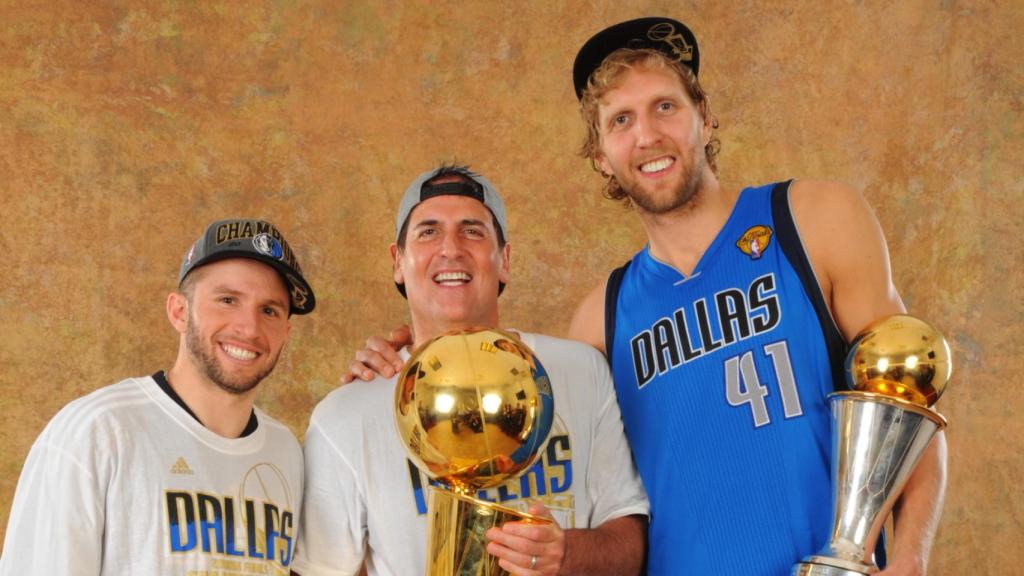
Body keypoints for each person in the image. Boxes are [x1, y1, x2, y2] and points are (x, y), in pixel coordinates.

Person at [342, 17, 947, 576]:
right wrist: (410, 359)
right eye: (621, 121)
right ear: (601, 158)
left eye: (665, 106)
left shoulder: (814, 220)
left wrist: (911, 559)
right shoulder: (599, 322)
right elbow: (505, 402)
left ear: (703, 119)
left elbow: (911, 403)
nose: (648, 135)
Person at [292, 165, 648, 576]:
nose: (451, 249)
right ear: (398, 262)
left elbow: (631, 542)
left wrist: (564, 554)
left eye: (472, 231)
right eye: (428, 231)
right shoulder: (345, 416)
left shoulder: (579, 372)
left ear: (505, 261)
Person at [0, 218, 316, 575]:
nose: (249, 327)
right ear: (179, 312)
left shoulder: (286, 451)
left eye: (269, 310)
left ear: (286, 332)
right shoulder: (97, 433)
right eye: (228, 300)